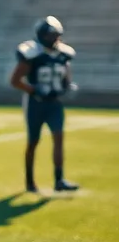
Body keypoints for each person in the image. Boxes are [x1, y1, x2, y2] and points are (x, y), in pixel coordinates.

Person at [9, 16, 78, 193]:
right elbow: (15, 80)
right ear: (41, 35)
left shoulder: (63, 53)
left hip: (54, 103)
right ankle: (30, 182)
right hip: (36, 104)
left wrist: (67, 84)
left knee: (59, 138)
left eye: (56, 35)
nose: (54, 39)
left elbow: (66, 72)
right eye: (50, 35)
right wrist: (34, 90)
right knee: (33, 142)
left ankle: (59, 179)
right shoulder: (32, 53)